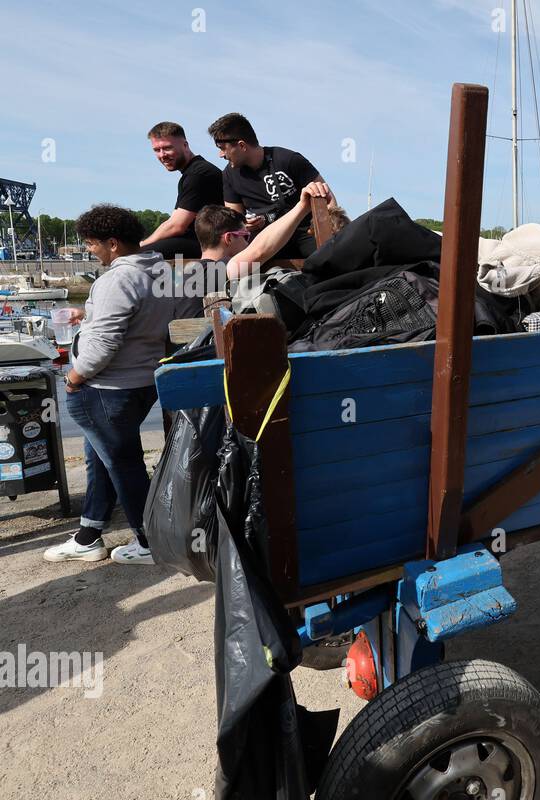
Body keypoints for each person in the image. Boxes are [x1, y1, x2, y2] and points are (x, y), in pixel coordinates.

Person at [44, 206, 193, 566]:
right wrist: (91, 315)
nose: (91, 251)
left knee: (124, 464)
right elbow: (152, 324)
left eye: (93, 244)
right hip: (143, 382)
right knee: (101, 458)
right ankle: (89, 534)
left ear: (112, 243)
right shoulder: (161, 273)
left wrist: (74, 377)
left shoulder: (116, 280)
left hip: (107, 388)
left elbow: (105, 343)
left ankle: (149, 541)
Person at [207, 113, 326, 261]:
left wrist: (327, 231)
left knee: (328, 257)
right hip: (264, 239)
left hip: (304, 232)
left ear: (242, 145)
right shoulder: (229, 175)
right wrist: (246, 224)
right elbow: (234, 221)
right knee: (235, 264)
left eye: (223, 148)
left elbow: (328, 201)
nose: (220, 154)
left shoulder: (289, 159)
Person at [193, 181, 337, 285]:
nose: (247, 242)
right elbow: (259, 251)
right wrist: (302, 207)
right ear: (229, 238)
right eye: (245, 236)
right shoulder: (213, 273)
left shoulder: (184, 278)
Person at [138, 122, 224, 259]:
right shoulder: (192, 173)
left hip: (210, 243)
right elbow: (173, 221)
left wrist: (141, 245)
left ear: (185, 145)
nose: (162, 155)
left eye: (167, 148)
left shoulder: (199, 174)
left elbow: (177, 226)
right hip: (196, 240)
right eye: (157, 150)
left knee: (139, 256)